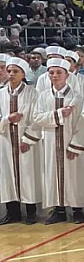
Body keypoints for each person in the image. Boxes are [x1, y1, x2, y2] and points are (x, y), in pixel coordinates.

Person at [24, 58, 84, 224]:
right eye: (51, 72)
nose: (55, 75)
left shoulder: (77, 97)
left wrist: (76, 145)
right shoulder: (44, 96)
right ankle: (58, 210)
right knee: (53, 175)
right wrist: (59, 114)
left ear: (67, 75)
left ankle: (77, 210)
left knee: (74, 175)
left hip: (70, 141)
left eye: (59, 72)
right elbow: (37, 118)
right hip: (52, 142)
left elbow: (81, 123)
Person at [0, 58, 40, 225]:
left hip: (26, 141)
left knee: (28, 175)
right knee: (8, 175)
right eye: (9, 71)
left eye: (15, 71)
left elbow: (36, 118)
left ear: (23, 73)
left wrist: (28, 138)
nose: (11, 74)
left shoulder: (33, 93)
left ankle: (31, 212)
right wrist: (8, 119)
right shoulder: (1, 93)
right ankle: (12, 212)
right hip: (6, 139)